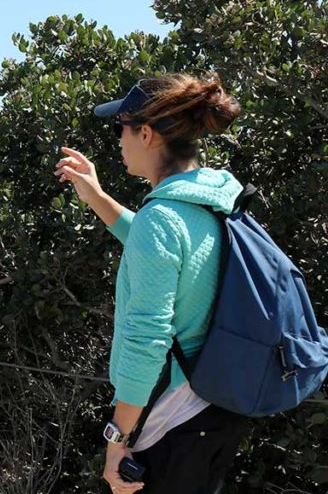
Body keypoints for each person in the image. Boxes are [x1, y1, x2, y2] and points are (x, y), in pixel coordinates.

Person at [55, 73, 249, 493]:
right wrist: (97, 197)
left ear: (145, 134)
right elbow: (170, 254)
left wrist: (117, 439)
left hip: (169, 420)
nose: (118, 140)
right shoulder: (212, 199)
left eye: (119, 129)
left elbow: (147, 341)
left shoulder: (160, 219)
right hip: (216, 406)